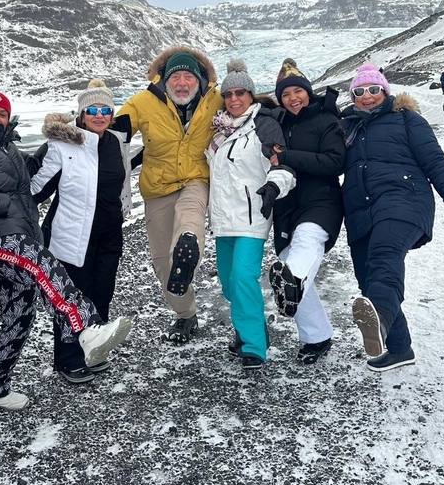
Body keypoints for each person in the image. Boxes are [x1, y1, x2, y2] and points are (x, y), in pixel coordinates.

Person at [0, 91, 132, 409]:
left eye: (2, 114)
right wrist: (1, 204)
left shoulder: (7, 148)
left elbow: (36, 175)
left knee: (20, 313)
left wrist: (59, 136)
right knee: (43, 263)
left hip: (15, 234)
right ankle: (85, 327)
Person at [341, 63, 444, 373]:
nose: (367, 96)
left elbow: (437, 163)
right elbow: (324, 160)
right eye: (359, 92)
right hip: (361, 210)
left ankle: (381, 323)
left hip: (405, 199)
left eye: (374, 89)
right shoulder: (346, 128)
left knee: (384, 255)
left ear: (385, 91)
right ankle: (400, 348)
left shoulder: (406, 119)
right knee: (368, 279)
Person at [30, 78, 135, 384]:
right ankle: (68, 358)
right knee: (74, 299)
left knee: (102, 294)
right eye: (92, 109)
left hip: (109, 234)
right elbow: (37, 188)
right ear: (80, 113)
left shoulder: (114, 142)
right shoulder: (63, 144)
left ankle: (94, 351)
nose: (99, 115)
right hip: (71, 234)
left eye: (105, 109)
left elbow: (121, 184)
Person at [118, 47, 224, 344]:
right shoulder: (143, 101)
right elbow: (114, 131)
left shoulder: (216, 99)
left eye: (188, 76)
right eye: (175, 76)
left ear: (198, 80)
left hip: (196, 178)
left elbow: (247, 107)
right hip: (158, 186)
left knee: (190, 217)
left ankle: (188, 246)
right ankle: (185, 313)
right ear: (164, 80)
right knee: (162, 260)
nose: (181, 82)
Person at [206, 61, 295, 372]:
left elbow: (281, 163)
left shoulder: (263, 124)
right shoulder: (217, 129)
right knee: (230, 285)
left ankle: (253, 346)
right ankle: (250, 325)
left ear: (251, 94)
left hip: (252, 214)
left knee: (244, 277)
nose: (234, 99)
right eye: (228, 94)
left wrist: (274, 185)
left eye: (240, 92)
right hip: (222, 218)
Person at [267, 58, 346, 365]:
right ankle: (317, 336)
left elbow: (334, 162)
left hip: (321, 200)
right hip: (287, 204)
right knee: (290, 262)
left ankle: (293, 280)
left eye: (297, 92)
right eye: (285, 95)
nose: (292, 99)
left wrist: (288, 156)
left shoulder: (326, 121)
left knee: (305, 244)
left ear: (308, 92)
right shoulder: (278, 122)